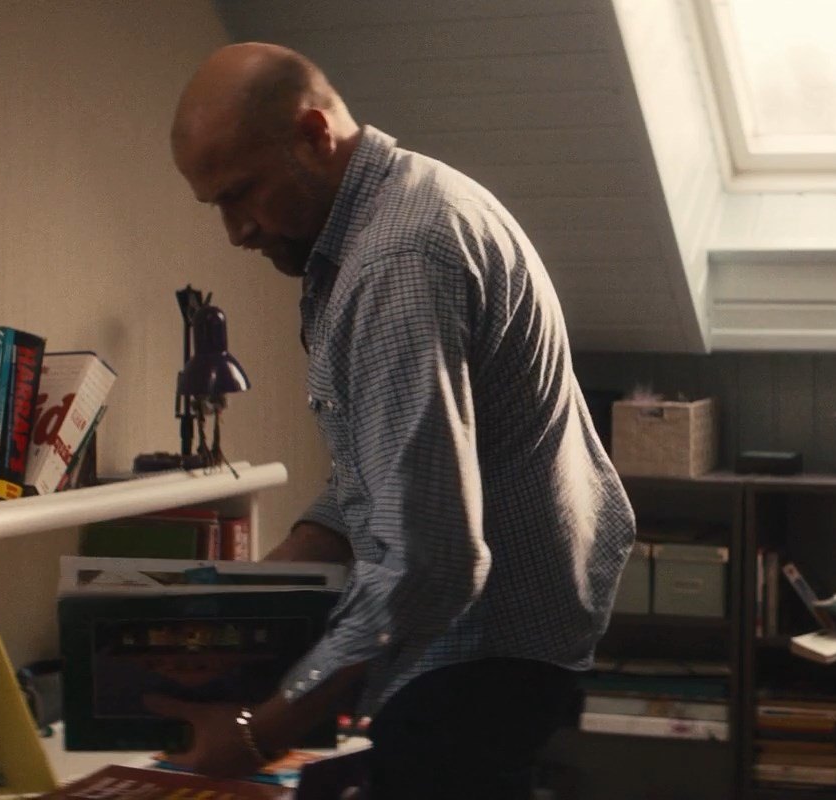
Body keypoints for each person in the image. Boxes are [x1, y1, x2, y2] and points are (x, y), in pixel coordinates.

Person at [150, 42, 637, 799]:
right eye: (216, 204)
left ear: (314, 134)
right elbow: (383, 470)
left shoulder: (398, 261)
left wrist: (255, 736)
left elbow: (433, 562)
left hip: (480, 647)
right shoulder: (396, 212)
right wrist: (274, 578)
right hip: (496, 631)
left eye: (241, 194)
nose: (235, 231)